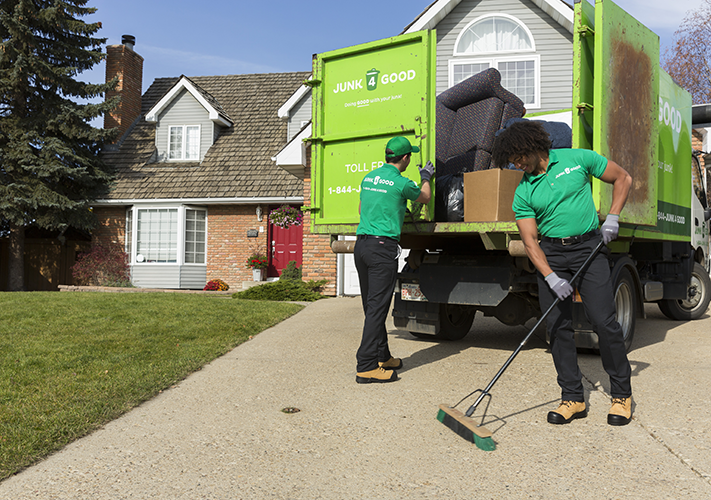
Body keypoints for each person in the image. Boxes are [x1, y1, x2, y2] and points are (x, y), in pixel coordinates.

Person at [491, 120, 635, 426]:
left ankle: (622, 395)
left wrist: (613, 217)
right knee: (556, 326)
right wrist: (550, 276)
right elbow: (530, 241)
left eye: (518, 157)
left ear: (531, 146)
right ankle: (573, 397)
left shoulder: (577, 159)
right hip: (553, 254)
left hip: (589, 248)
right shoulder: (523, 191)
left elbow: (623, 178)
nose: (516, 164)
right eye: (512, 161)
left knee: (604, 322)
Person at [354, 136, 433, 384]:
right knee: (378, 308)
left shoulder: (369, 178)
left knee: (371, 306)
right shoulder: (402, 183)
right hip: (381, 249)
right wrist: (426, 176)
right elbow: (424, 197)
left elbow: (361, 209)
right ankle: (366, 366)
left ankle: (383, 356)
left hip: (362, 245)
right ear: (406, 158)